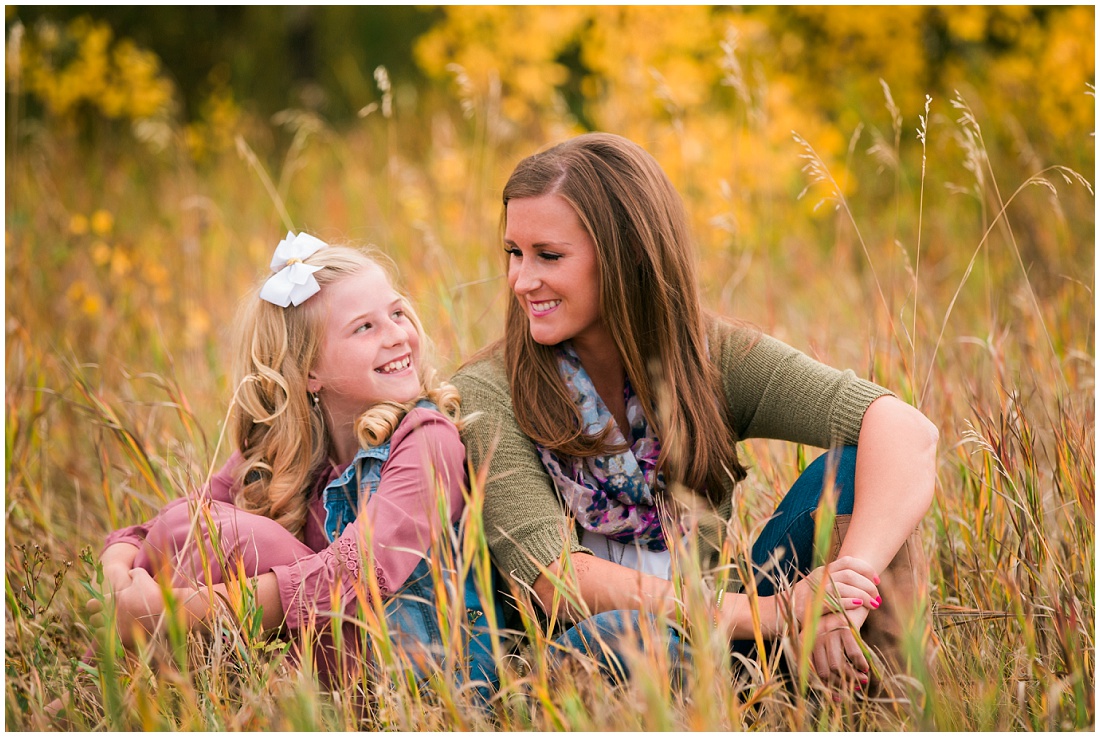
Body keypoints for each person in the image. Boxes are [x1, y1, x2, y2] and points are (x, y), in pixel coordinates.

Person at [451, 133, 938, 690]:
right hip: (596, 653)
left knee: (854, 472)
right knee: (627, 632)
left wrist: (841, 602)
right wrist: (775, 612)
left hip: (727, 641)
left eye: (548, 256)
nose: (521, 279)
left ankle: (874, 710)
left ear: (627, 254)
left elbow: (907, 431)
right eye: (515, 252)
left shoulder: (708, 355)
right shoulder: (489, 392)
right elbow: (557, 579)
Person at [88, 232, 499, 693]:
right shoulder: (292, 449)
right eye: (365, 327)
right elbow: (158, 528)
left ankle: (109, 683)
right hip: (337, 660)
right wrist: (115, 578)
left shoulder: (427, 438)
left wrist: (181, 612)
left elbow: (361, 574)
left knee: (219, 532)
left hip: (419, 678)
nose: (398, 334)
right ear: (309, 372)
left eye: (398, 313)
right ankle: (119, 686)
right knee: (191, 525)